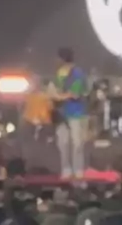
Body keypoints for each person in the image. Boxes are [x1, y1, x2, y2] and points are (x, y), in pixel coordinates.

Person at [51, 47, 88, 179]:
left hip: (76, 113)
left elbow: (75, 94)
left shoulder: (77, 73)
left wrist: (59, 96)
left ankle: (78, 169)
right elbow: (54, 90)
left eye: (58, 58)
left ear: (63, 59)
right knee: (63, 143)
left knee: (77, 143)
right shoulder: (59, 73)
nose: (55, 60)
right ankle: (66, 168)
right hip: (62, 114)